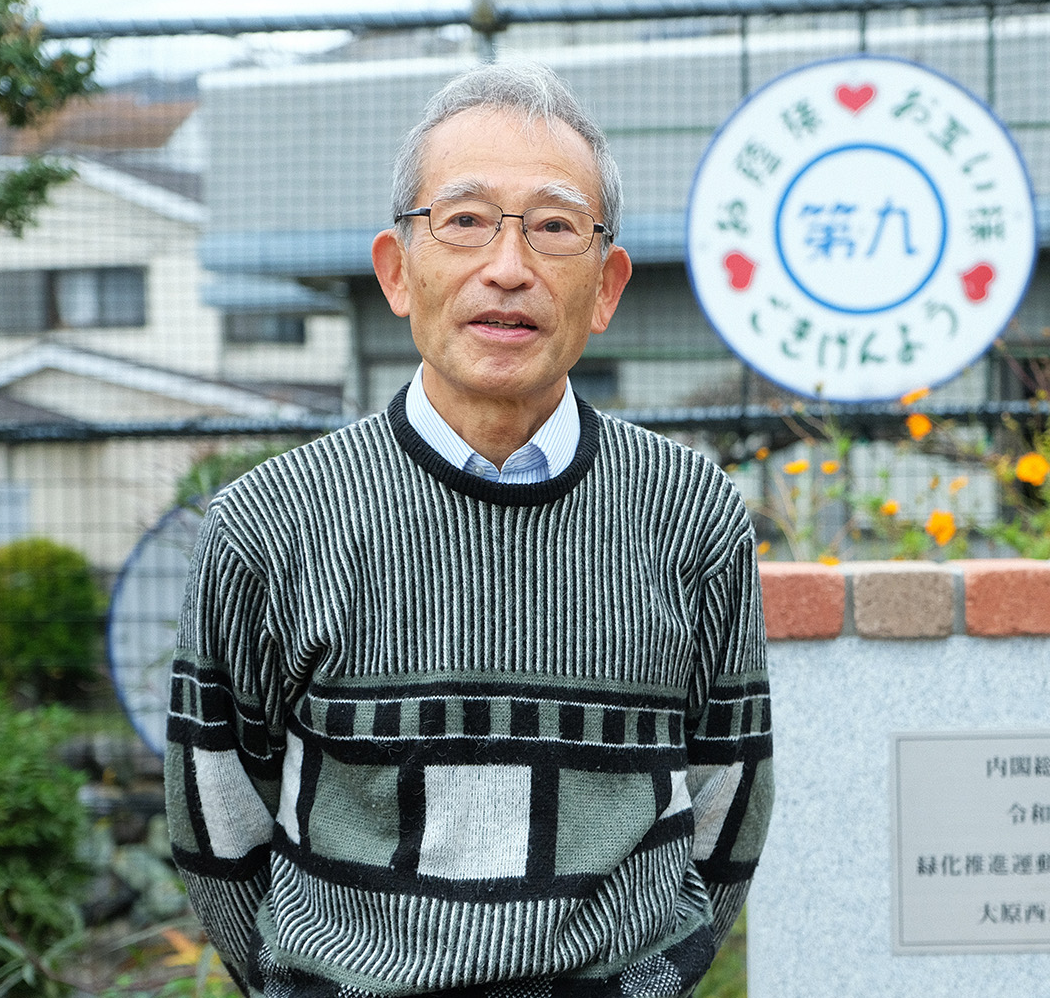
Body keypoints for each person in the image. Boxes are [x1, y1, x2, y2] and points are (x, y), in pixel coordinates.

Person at [165, 60, 772, 998]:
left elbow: (729, 801)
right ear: (397, 270)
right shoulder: (270, 524)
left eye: (554, 227)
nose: (508, 266)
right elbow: (217, 817)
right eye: (465, 220)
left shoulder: (693, 513)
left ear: (606, 287)